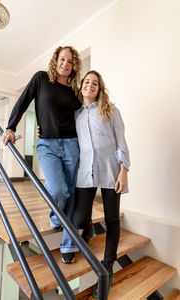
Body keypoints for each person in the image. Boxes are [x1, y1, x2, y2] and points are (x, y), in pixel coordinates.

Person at [2, 46, 82, 264]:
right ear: (56, 60)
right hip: (46, 145)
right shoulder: (41, 79)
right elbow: (23, 101)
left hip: (72, 145)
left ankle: (68, 244)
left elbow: (84, 119)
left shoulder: (75, 91)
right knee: (58, 190)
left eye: (70, 61)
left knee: (71, 194)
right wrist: (10, 127)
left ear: (74, 66)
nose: (66, 63)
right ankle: (56, 216)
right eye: (62, 59)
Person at [73, 70, 130, 297]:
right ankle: (87, 230)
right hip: (85, 171)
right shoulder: (75, 114)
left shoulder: (111, 111)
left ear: (99, 88)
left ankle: (107, 267)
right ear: (81, 87)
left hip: (110, 171)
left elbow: (121, 143)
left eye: (94, 83)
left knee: (112, 220)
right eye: (87, 81)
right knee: (79, 218)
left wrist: (123, 171)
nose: (90, 85)